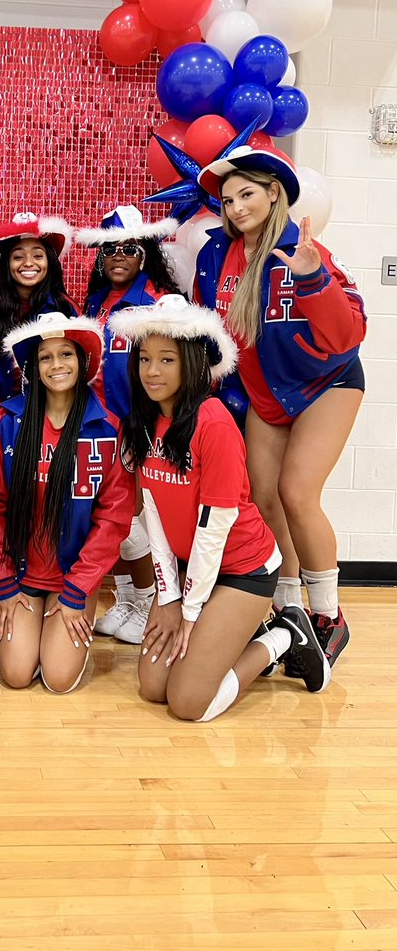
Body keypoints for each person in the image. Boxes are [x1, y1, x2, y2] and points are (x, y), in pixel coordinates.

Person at [113, 294, 331, 723]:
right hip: (188, 569)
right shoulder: (140, 425)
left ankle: (282, 636)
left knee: (188, 703)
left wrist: (189, 613)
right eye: (145, 360)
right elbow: (152, 517)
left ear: (192, 362)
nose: (152, 372)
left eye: (167, 360)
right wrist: (170, 597)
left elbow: (214, 529)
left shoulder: (213, 422)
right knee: (153, 686)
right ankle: (242, 631)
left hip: (244, 570)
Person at [192, 135, 365, 669]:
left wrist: (314, 277)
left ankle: (329, 615)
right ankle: (289, 607)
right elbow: (211, 332)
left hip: (327, 383)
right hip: (268, 394)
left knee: (296, 491)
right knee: (265, 497)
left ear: (273, 195)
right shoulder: (216, 254)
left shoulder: (303, 250)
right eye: (227, 199)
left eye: (247, 195)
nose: (236, 207)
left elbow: (347, 335)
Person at [0, 313, 136, 694]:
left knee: (59, 679)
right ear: (34, 367)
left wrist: (77, 591)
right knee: (17, 676)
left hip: (72, 578)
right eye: (45, 357)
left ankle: (53, 628)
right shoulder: (7, 422)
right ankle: (25, 630)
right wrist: (2, 584)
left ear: (82, 362)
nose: (56, 365)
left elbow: (112, 520)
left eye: (65, 354)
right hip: (21, 575)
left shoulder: (108, 429)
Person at [76, 204, 180, 645]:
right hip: (101, 426)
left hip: (136, 427)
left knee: (134, 520)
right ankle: (126, 602)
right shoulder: (98, 302)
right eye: (109, 249)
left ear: (145, 253)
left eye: (129, 249)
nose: (118, 257)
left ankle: (146, 598)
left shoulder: (156, 302)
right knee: (108, 519)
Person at [0, 211, 76, 422]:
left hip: (53, 418)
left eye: (38, 255)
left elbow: (77, 368)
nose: (28, 263)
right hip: (1, 415)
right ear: (6, 263)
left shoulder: (66, 308)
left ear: (50, 261)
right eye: (18, 256)